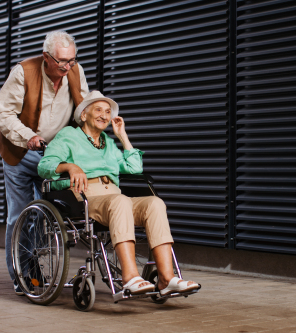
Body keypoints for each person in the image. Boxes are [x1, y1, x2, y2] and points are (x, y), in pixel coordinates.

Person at [37, 91, 199, 295]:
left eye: (108, 112)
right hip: (85, 197)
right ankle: (130, 277)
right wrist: (70, 166)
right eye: (99, 110)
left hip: (114, 196)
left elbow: (134, 168)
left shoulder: (108, 142)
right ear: (84, 114)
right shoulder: (68, 136)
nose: (104, 115)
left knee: (155, 203)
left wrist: (122, 135)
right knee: (120, 201)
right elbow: (44, 166)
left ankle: (167, 278)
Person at [0, 31, 89, 294]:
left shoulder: (75, 72)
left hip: (54, 155)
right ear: (46, 57)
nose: (67, 66)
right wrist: (28, 136)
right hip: (21, 153)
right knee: (19, 215)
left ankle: (33, 263)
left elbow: (83, 108)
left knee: (47, 214)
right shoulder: (23, 72)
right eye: (61, 61)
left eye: (71, 60)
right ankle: (22, 275)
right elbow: (3, 111)